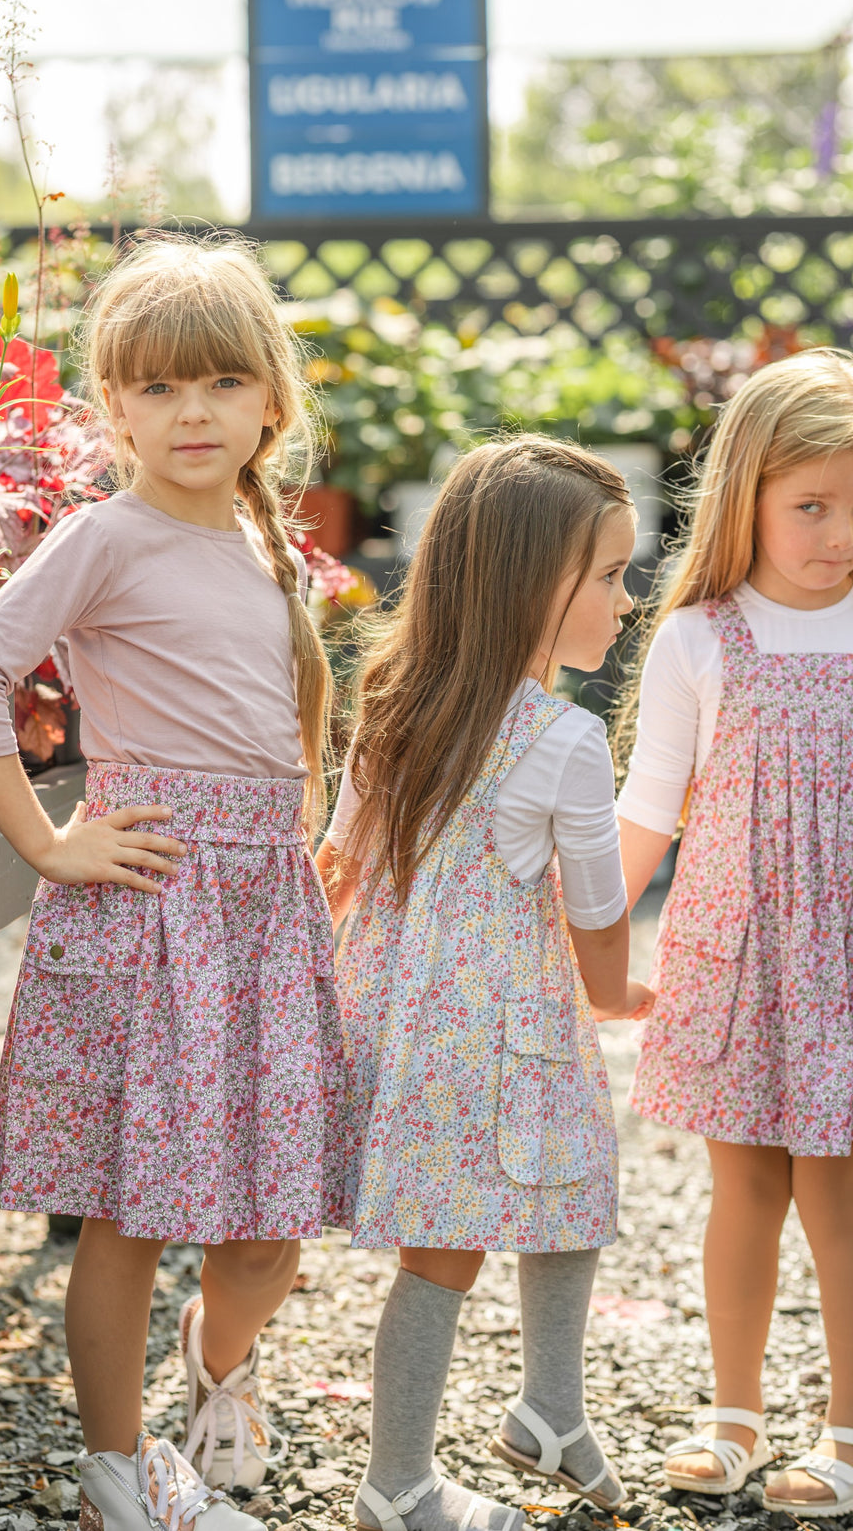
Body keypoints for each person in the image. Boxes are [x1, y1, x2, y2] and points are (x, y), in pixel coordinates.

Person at [0, 234, 347, 1531]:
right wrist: (50, 845)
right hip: (158, 907)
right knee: (132, 1217)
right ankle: (117, 1474)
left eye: (218, 383)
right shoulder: (108, 536)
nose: (191, 413)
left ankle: (218, 1373)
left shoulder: (270, 547)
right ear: (114, 411)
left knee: (269, 1221)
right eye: (155, 389)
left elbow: (279, 728)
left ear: (272, 398)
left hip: (266, 906)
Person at [316, 438, 653, 1531]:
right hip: (503, 1027)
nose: (626, 597)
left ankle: (551, 1408)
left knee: (564, 1188)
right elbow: (599, 923)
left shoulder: (396, 698)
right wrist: (618, 996)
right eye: (607, 575)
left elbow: (341, 860)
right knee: (457, 1243)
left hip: (409, 1016)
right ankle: (398, 1483)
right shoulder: (564, 739)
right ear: (528, 588)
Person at [617, 349, 853, 1516]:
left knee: (839, 1193)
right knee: (744, 1189)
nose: (838, 532)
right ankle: (736, 1417)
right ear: (747, 496)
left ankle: (848, 1430)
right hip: (736, 952)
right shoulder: (700, 638)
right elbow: (649, 807)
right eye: (812, 505)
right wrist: (585, 941)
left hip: (846, 963)